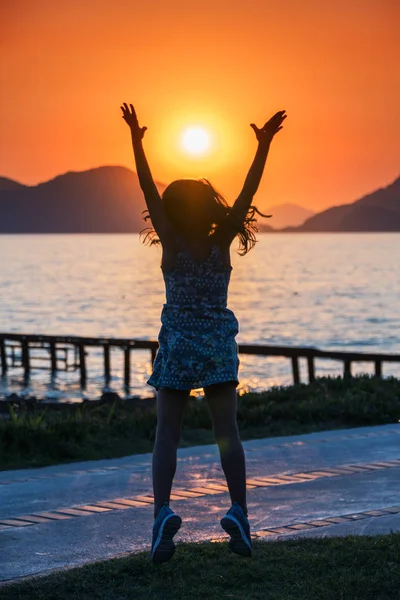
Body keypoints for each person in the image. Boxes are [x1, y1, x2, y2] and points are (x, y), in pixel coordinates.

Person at [120, 102, 286, 564]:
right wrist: (263, 146)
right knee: (227, 432)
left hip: (176, 347)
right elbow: (249, 192)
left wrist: (137, 141)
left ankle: (161, 515)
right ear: (209, 208)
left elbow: (145, 189)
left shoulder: (171, 246)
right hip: (217, 347)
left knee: (166, 435)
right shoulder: (221, 243)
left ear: (171, 212)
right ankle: (240, 513)